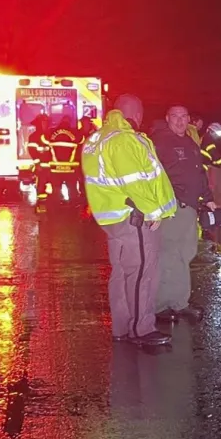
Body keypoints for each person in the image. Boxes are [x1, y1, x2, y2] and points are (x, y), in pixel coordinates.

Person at [81, 94, 176, 347]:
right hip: (135, 219)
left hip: (113, 217)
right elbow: (134, 180)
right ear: (137, 114)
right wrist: (152, 210)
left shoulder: (97, 138)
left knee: (121, 273)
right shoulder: (123, 139)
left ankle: (122, 326)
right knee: (142, 272)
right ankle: (141, 328)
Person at [150, 104, 215, 321]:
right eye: (175, 116)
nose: (180, 120)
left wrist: (209, 199)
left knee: (185, 254)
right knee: (168, 254)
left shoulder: (189, 141)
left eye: (184, 116)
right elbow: (152, 175)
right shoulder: (160, 141)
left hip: (190, 208)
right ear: (167, 118)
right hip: (173, 207)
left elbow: (199, 173)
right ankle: (161, 305)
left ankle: (178, 301)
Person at [44, 116, 83, 201]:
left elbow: (45, 140)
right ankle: (74, 206)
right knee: (72, 188)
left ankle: (56, 206)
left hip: (55, 168)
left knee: (56, 189)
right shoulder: (74, 133)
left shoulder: (52, 132)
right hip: (70, 168)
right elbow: (81, 141)